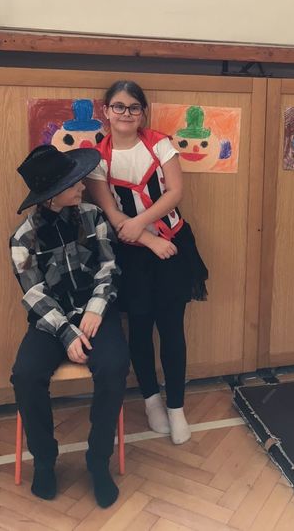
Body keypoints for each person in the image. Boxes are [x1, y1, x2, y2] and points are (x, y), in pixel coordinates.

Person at [85, 80, 208, 445]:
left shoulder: (159, 144)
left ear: (142, 112)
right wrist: (148, 239)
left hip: (172, 244)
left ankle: (176, 407)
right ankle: (151, 400)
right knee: (139, 328)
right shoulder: (98, 158)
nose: (126, 113)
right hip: (134, 251)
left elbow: (175, 192)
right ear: (106, 111)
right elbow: (111, 212)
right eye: (119, 106)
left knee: (172, 328)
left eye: (134, 107)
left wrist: (144, 225)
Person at [10, 144, 129, 508]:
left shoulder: (94, 217)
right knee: (25, 375)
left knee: (114, 366)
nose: (82, 186)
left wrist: (95, 310)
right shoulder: (23, 238)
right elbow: (34, 293)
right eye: (74, 182)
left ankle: (98, 459)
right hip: (51, 322)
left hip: (97, 313)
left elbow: (109, 268)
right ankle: (44, 460)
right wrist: (66, 332)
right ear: (52, 194)